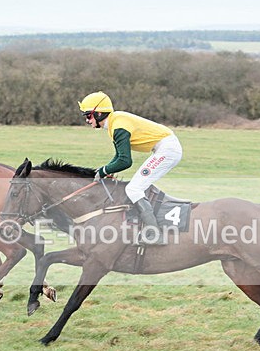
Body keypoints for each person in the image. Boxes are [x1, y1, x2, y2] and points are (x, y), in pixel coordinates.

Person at [78, 91, 183, 245]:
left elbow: (125, 161)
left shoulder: (118, 126)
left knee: (134, 189)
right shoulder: (114, 122)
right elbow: (118, 156)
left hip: (167, 150)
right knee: (136, 187)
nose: (87, 120)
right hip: (164, 148)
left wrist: (104, 171)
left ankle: (154, 234)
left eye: (88, 116)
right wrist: (106, 170)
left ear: (99, 114)